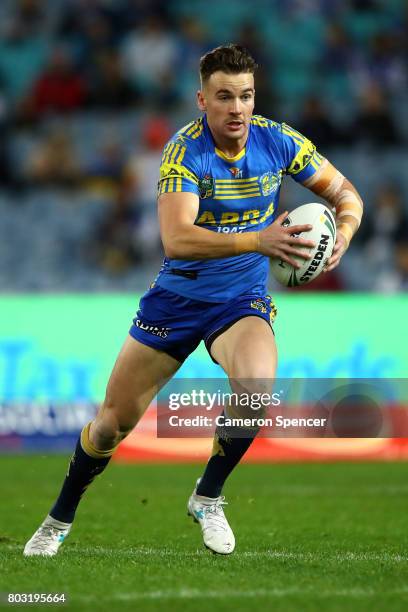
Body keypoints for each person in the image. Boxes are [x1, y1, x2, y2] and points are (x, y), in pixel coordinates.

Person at [24, 44, 363, 557]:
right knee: (112, 424)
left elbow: (347, 195)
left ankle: (207, 497)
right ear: (201, 99)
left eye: (245, 96)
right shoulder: (185, 151)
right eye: (224, 96)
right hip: (176, 301)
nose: (236, 108)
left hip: (241, 298)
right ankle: (58, 517)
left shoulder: (278, 141)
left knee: (256, 389)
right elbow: (177, 238)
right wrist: (257, 240)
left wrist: (346, 232)